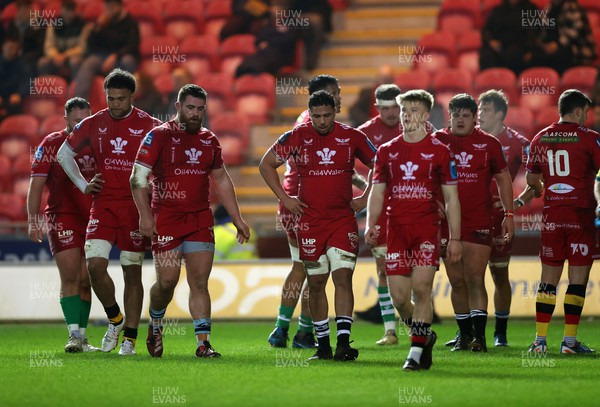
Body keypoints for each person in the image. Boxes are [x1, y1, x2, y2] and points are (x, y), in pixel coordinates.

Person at [131, 84, 251, 358]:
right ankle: (156, 323)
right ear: (178, 107)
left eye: (200, 109)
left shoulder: (209, 140)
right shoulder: (158, 136)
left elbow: (220, 179)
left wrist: (237, 218)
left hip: (199, 219)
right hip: (167, 219)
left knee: (199, 283)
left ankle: (203, 343)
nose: (195, 114)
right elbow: (137, 177)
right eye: (190, 108)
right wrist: (145, 216)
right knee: (167, 283)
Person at [260, 90, 376, 361]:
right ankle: (322, 345)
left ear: (335, 111)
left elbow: (381, 164)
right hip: (309, 222)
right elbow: (266, 164)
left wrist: (366, 197)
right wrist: (285, 198)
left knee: (343, 278)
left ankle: (344, 343)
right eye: (316, 116)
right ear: (309, 114)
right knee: (315, 283)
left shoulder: (352, 136)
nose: (322, 121)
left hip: (342, 220)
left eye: (326, 115)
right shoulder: (297, 136)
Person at [57, 68, 162, 355]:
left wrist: (154, 189)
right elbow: (63, 154)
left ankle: (129, 338)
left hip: (134, 208)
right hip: (103, 205)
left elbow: (165, 160)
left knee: (132, 273)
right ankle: (115, 319)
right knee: (95, 267)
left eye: (120, 99)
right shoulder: (94, 123)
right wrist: (82, 184)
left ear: (132, 97)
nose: (115, 104)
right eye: (110, 98)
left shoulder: (149, 125)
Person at [366, 89, 461, 370]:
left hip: (426, 230)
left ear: (426, 115)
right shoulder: (386, 151)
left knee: (421, 289)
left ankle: (416, 353)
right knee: (399, 299)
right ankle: (425, 335)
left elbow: (452, 198)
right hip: (396, 230)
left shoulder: (440, 152)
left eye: (414, 111)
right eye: (404, 111)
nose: (407, 117)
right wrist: (371, 224)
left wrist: (454, 238)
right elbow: (377, 192)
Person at [433, 93, 514, 352]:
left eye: (465, 115)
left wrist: (509, 215)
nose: (459, 119)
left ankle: (480, 337)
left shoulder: (488, 143)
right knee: (456, 281)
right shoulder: (438, 140)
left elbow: (503, 179)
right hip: (447, 224)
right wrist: (432, 203)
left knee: (475, 277)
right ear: (450, 116)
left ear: (474, 118)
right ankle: (464, 335)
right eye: (455, 114)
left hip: (479, 219)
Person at [526, 89, 600, 354]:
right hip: (580, 216)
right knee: (577, 281)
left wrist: (543, 187)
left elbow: (532, 180)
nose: (587, 117)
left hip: (552, 217)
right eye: (586, 112)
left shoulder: (539, 138)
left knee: (548, 280)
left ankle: (539, 341)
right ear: (578, 111)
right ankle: (569, 342)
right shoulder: (591, 139)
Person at [27, 97, 99, 353]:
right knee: (70, 276)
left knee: (87, 279)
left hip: (92, 217)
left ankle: (84, 337)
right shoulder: (51, 144)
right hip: (62, 217)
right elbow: (36, 185)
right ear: (65, 119)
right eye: (77, 121)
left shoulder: (97, 142)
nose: (82, 125)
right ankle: (73, 336)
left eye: (86, 120)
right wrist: (33, 220)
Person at [473, 90, 535, 347]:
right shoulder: (468, 138)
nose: (479, 114)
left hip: (499, 218)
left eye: (484, 110)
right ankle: (470, 331)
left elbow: (537, 181)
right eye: (479, 109)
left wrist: (517, 202)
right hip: (472, 216)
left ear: (499, 114)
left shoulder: (519, 143)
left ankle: (500, 332)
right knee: (471, 276)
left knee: (499, 275)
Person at [356, 84, 404, 345]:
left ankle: (418, 326)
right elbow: (345, 166)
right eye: (384, 108)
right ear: (377, 107)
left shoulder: (416, 126)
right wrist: (366, 192)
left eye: (395, 107)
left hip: (413, 208)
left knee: (415, 270)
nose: (390, 113)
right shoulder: (364, 133)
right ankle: (390, 331)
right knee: (383, 270)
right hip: (381, 210)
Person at [72, 0, 140, 100]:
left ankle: (124, 99)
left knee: (128, 61)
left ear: (119, 7)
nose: (108, 10)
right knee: (89, 63)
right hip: (103, 55)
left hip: (122, 56)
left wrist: (116, 55)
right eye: (106, 7)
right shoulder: (104, 22)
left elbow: (132, 45)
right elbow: (91, 44)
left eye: (111, 6)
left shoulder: (130, 22)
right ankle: (80, 102)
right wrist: (97, 27)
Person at [479, 0, 542, 75]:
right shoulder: (498, 10)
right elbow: (487, 29)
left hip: (519, 47)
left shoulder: (531, 9)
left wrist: (529, 50)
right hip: (499, 47)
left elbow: (534, 33)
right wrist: (491, 41)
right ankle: (489, 83)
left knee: (514, 55)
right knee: (487, 56)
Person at [538, 0, 597, 74]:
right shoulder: (549, 7)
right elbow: (544, 32)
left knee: (558, 56)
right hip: (556, 49)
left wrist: (557, 45)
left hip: (577, 51)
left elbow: (574, 32)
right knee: (535, 57)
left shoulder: (572, 6)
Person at [37, 0, 91, 78]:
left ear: (75, 11)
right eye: (66, 10)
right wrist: (55, 55)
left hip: (73, 56)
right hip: (56, 56)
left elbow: (82, 48)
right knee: (42, 62)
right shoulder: (53, 24)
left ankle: (74, 88)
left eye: (71, 10)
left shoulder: (83, 25)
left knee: (75, 62)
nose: (68, 13)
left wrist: (65, 56)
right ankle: (48, 88)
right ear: (61, 10)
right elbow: (48, 46)